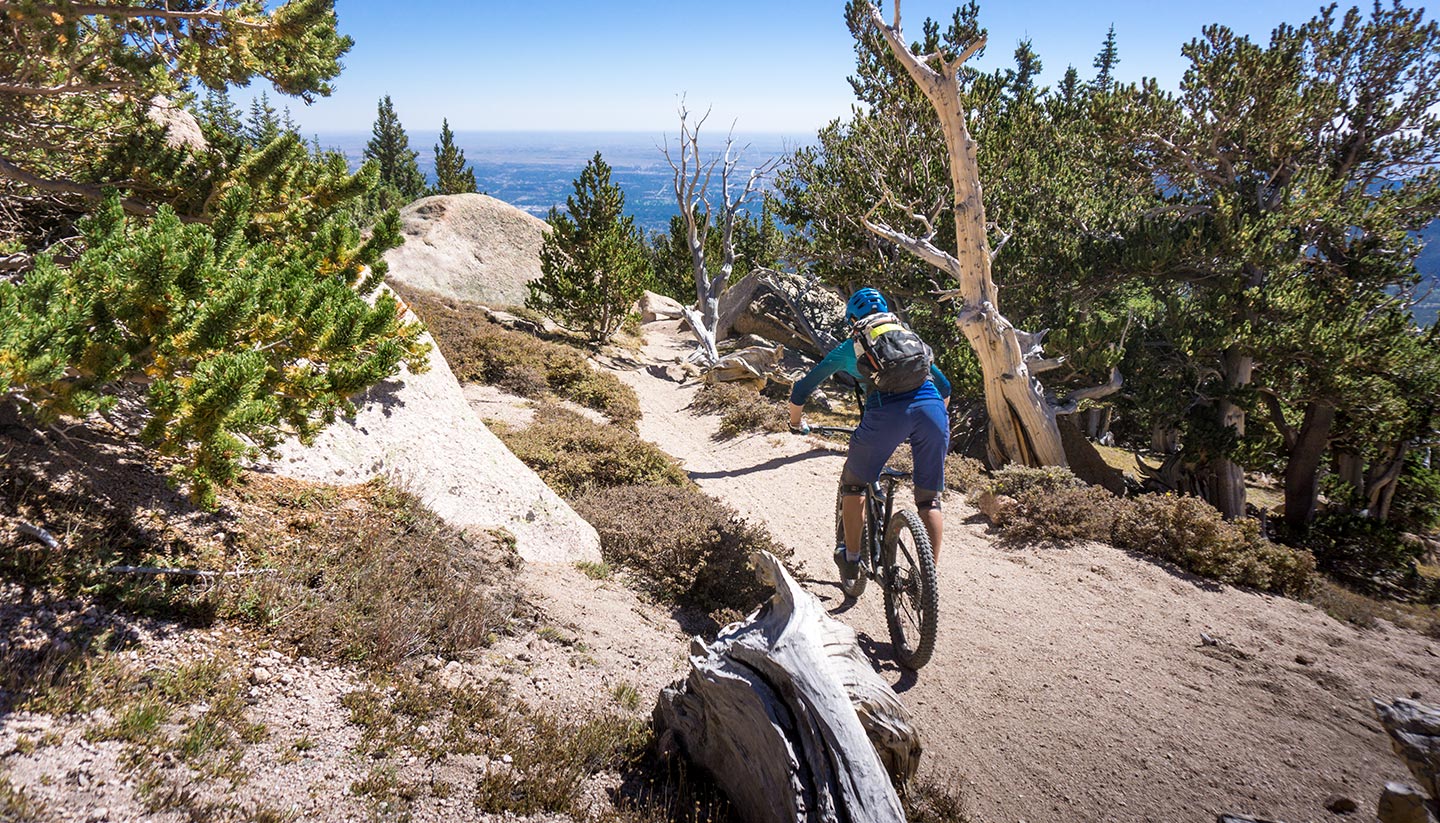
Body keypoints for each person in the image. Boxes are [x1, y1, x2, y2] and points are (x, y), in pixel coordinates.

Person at [788, 288, 951, 579]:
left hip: (885, 414)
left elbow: (802, 389)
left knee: (853, 483)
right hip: (932, 410)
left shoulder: (850, 346)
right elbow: (945, 389)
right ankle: (927, 582)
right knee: (929, 501)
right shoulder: (905, 335)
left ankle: (851, 559)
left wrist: (795, 423)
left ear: (853, 319)